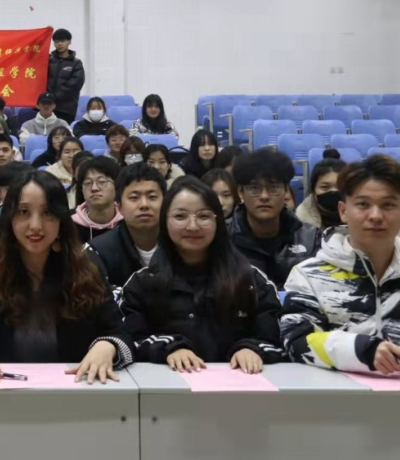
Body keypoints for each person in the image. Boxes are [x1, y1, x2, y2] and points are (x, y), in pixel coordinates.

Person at [0, 170, 133, 382]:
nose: (35, 225)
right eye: (23, 212)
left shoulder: (88, 272)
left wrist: (108, 345)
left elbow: (120, 334)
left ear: (61, 220)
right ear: (9, 219)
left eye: (47, 213)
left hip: (73, 392)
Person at [120, 177, 283, 372]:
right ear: (165, 221)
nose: (193, 226)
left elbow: (274, 336)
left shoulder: (250, 280)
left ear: (218, 221)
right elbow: (130, 340)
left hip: (240, 382)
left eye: (203, 216)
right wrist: (169, 348)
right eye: (180, 216)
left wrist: (251, 349)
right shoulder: (142, 283)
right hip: (169, 384)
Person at [282, 155, 400, 376]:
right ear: (343, 211)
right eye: (363, 204)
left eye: (388, 205)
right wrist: (361, 351)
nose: (375, 215)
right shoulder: (308, 275)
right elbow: (296, 340)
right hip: (337, 397)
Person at [229, 149, 320, 288]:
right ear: (240, 192)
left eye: (273, 188)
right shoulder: (223, 239)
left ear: (286, 191)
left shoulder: (311, 239)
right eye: (254, 188)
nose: (264, 196)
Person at [90, 163, 165, 291]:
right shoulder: (98, 252)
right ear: (119, 206)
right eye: (134, 198)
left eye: (152, 197)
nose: (144, 205)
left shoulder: (181, 243)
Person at [73, 156, 123, 243]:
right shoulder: (70, 226)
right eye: (88, 183)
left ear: (116, 186)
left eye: (102, 182)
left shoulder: (128, 223)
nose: (94, 188)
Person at [296, 154, 347, 230]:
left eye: (340, 187)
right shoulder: (301, 220)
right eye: (325, 187)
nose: (333, 191)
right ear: (313, 189)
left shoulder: (360, 215)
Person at [46, 28, 85, 124]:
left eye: (63, 41)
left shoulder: (76, 63)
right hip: (47, 106)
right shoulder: (47, 60)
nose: (60, 44)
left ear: (69, 42)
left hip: (66, 109)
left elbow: (75, 85)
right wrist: (45, 33)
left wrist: (54, 97)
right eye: (56, 41)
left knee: (63, 132)